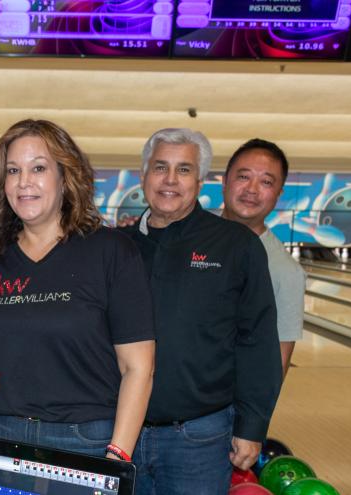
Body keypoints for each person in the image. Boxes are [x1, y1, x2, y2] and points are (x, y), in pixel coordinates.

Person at [0, 119, 155, 460]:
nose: (24, 182)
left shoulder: (111, 251)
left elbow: (138, 368)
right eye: (14, 170)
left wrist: (117, 455)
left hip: (84, 440)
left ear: (65, 178)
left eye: (39, 168)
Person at [122, 128, 282, 495]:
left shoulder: (236, 245)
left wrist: (251, 427)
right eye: (160, 167)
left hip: (199, 438)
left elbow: (257, 340)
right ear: (144, 174)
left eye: (184, 170)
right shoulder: (118, 245)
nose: (170, 180)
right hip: (119, 431)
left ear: (200, 180)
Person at [222, 138, 306, 377]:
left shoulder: (286, 272)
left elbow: (277, 361)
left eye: (266, 181)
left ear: (279, 194)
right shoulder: (190, 236)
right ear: (224, 181)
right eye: (243, 176)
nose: (252, 189)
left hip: (222, 409)